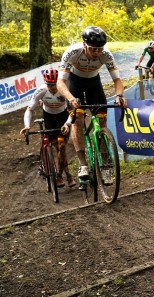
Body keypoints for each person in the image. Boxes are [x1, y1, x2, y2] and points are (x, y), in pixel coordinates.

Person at [57, 26, 127, 187]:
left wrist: (119, 96)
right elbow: (60, 82)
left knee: (102, 121)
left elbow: (117, 80)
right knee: (78, 119)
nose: (96, 53)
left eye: (99, 49)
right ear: (84, 44)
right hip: (75, 83)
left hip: (94, 84)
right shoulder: (72, 53)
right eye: (93, 49)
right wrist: (70, 98)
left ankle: (106, 165)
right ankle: (83, 164)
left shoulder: (106, 54)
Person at [20, 67, 74, 187]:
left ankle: (60, 176)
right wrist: (27, 126)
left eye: (54, 84)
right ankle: (69, 175)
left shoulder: (64, 89)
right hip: (49, 119)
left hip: (63, 118)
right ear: (45, 82)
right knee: (57, 149)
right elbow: (29, 110)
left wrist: (68, 123)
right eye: (49, 84)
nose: (52, 87)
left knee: (62, 147)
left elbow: (73, 111)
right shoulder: (41, 91)